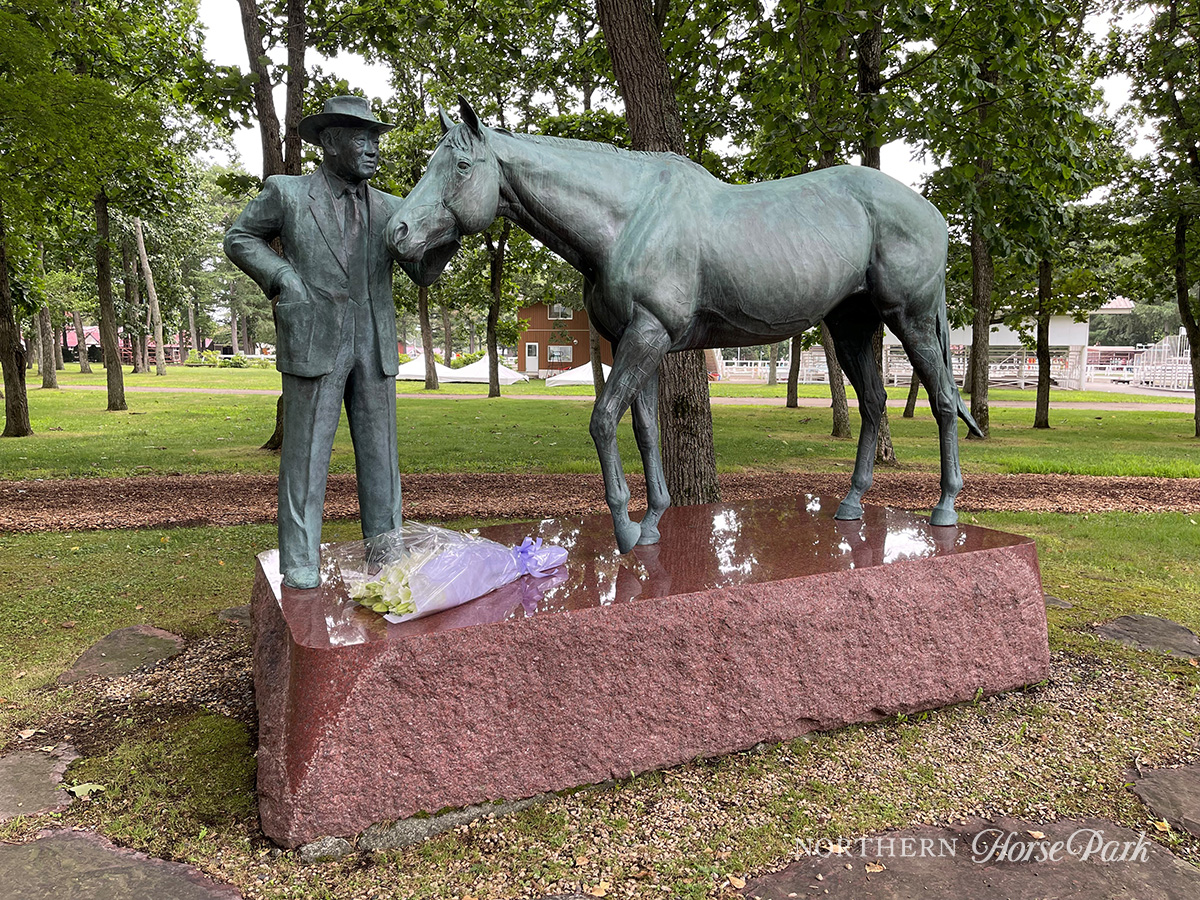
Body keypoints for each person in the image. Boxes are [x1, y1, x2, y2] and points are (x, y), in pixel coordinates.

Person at [225, 96, 454, 589]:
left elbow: (421, 272)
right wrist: (282, 276)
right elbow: (240, 237)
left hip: (374, 346)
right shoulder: (287, 194)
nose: (373, 148)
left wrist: (451, 234)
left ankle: (387, 557)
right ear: (329, 143)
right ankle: (301, 562)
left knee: (382, 461)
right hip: (315, 339)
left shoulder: (394, 208)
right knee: (305, 457)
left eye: (375, 139)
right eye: (361, 138)